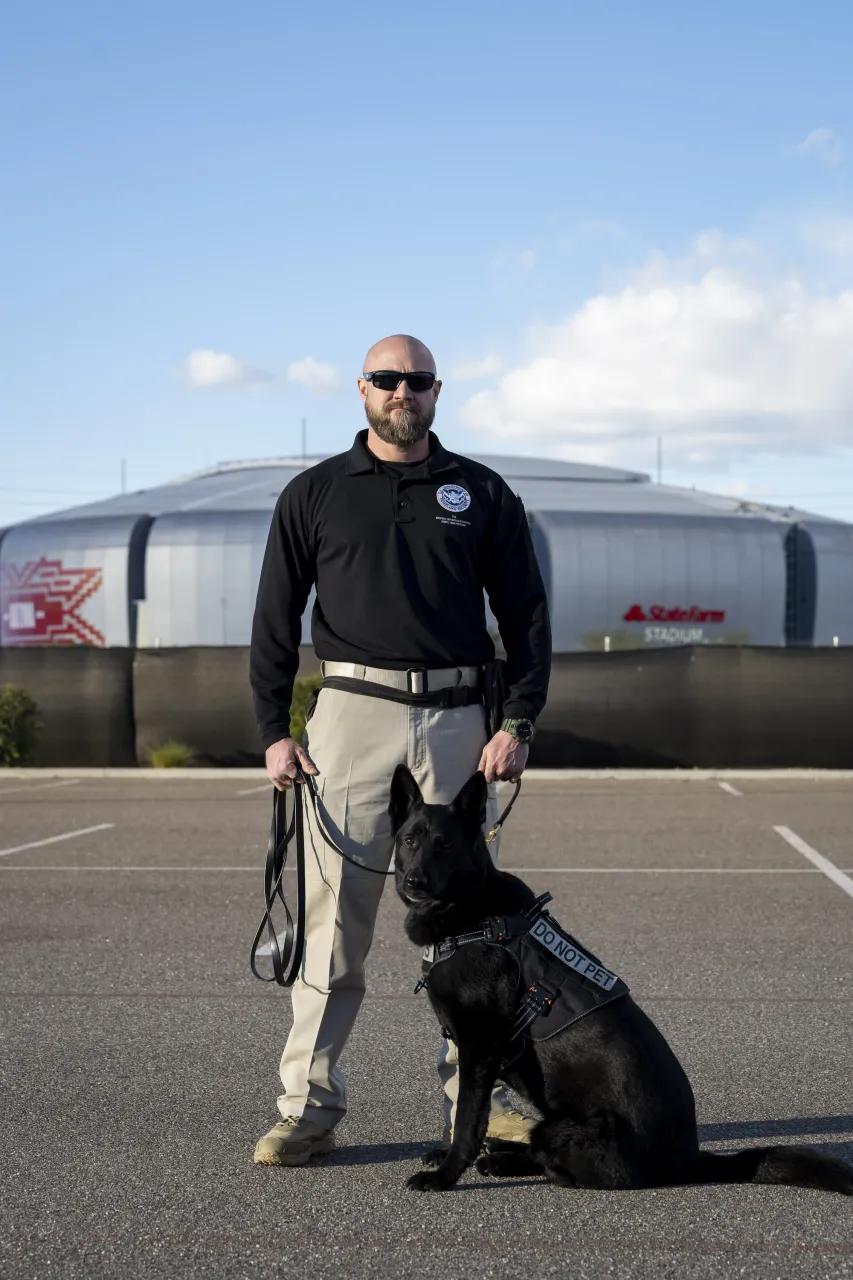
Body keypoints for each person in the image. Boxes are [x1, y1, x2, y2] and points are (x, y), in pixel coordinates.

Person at [249, 333, 551, 1166]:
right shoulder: (315, 493)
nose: (401, 393)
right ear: (361, 390)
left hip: (458, 719)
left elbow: (525, 615)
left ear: (436, 391)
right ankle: (306, 1108)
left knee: (475, 929)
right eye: (386, 380)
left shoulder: (480, 491)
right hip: (350, 713)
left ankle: (477, 1104)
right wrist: (273, 730)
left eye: (416, 382)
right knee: (331, 921)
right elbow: (274, 617)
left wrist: (517, 721)